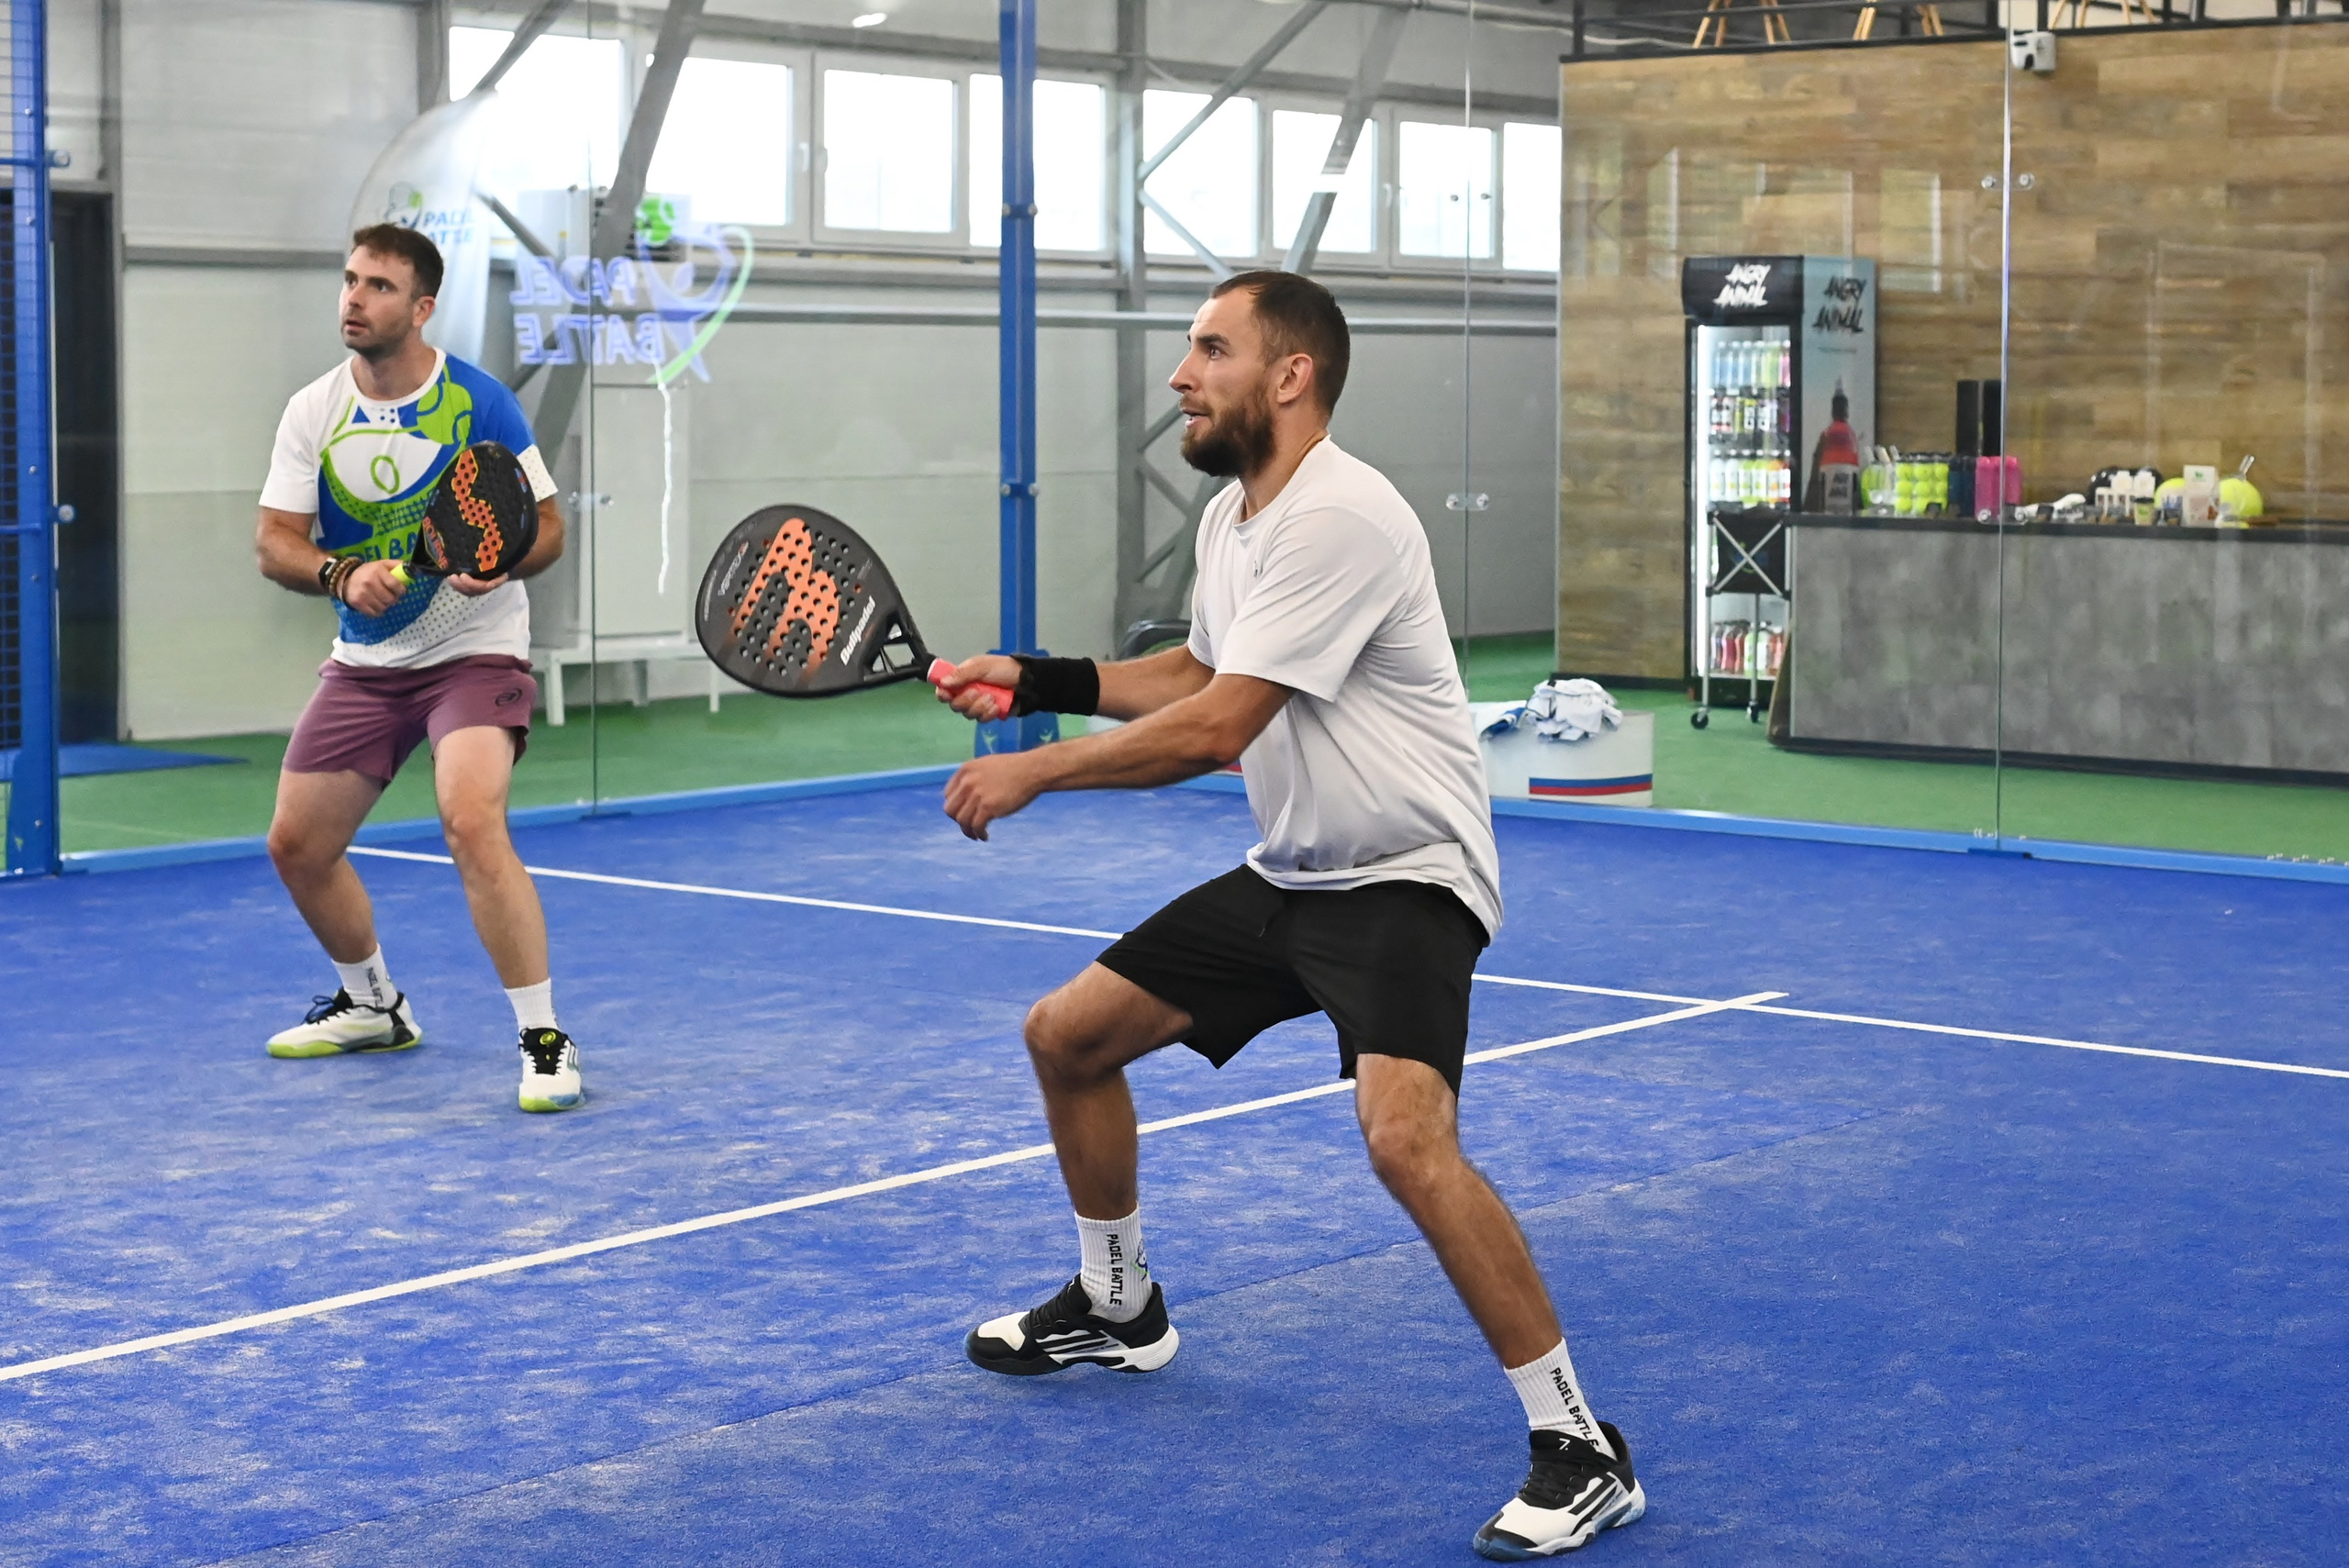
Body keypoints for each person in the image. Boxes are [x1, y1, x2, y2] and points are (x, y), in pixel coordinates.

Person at [933, 271, 1642, 1559]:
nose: (1180, 375)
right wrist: (1032, 676)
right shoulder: (1236, 519)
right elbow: (1202, 668)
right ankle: (1118, 1304)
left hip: (1407, 877)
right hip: (1294, 870)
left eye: (1210, 350)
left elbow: (1215, 729)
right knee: (1067, 1035)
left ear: (1291, 374)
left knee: (1404, 1141)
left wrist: (1035, 765)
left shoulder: (1344, 517)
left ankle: (1580, 1444)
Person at [253, 224, 582, 1114]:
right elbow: (273, 541)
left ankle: (544, 1039)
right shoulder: (313, 409)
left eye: (380, 287)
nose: (354, 299)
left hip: (473, 649)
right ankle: (373, 1005)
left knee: (470, 820)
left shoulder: (479, 402)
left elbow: (546, 524)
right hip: (366, 661)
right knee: (298, 846)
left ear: (421, 306)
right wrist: (339, 572)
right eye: (351, 280)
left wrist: (506, 560)